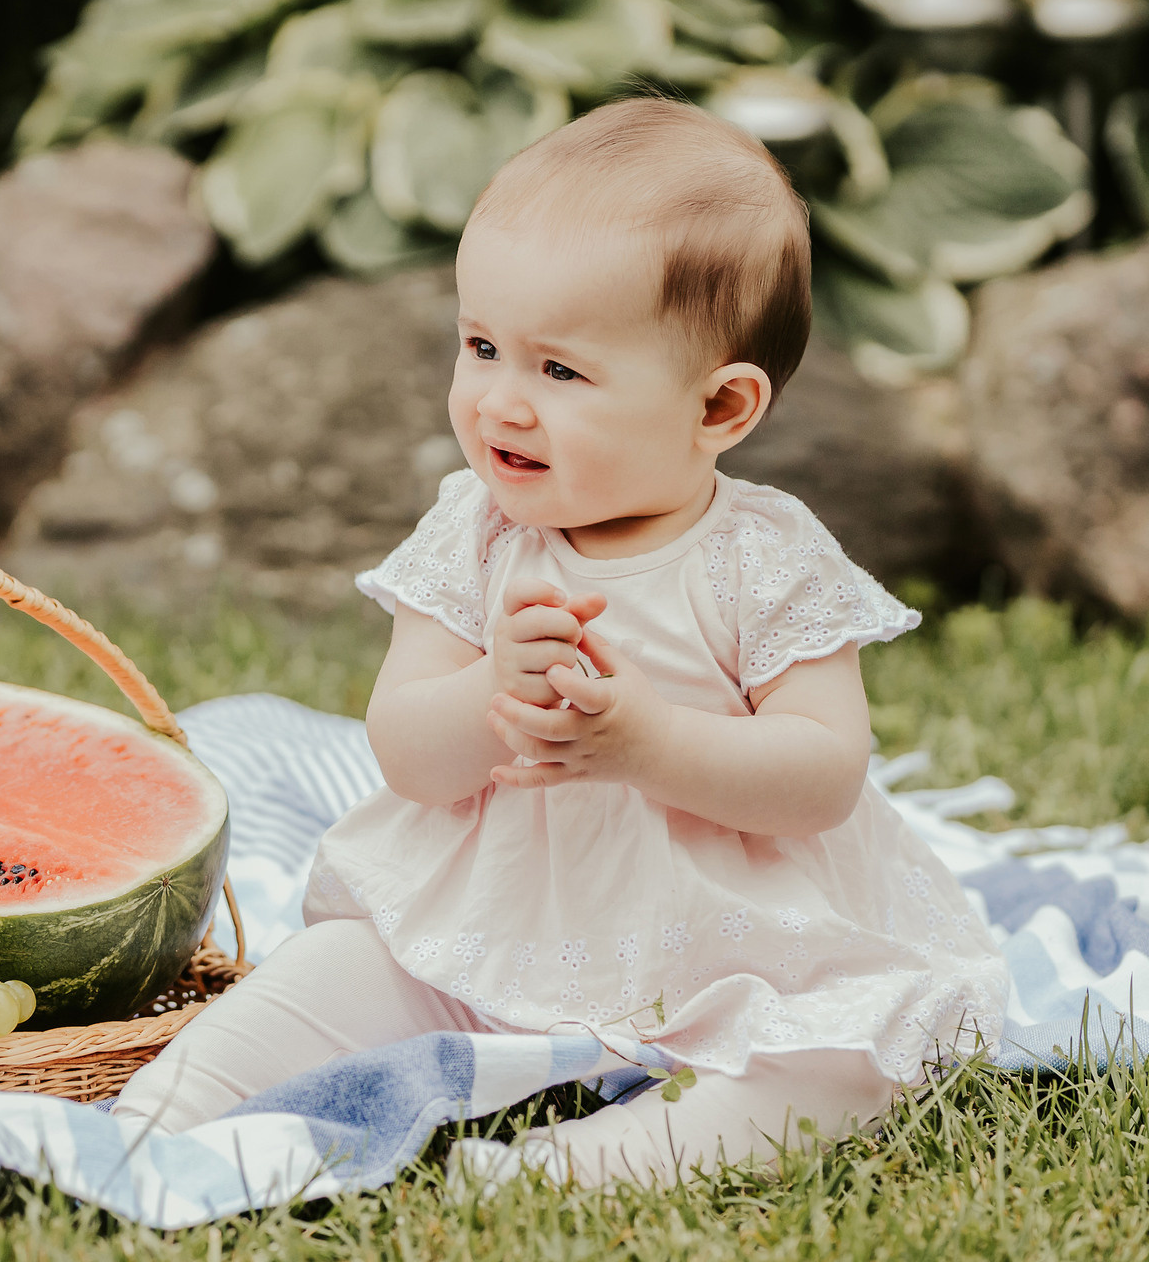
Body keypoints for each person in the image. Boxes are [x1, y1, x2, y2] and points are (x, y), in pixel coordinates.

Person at [115, 97, 1009, 1185]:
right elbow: (405, 750)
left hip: (735, 946)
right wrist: (491, 685)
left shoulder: (762, 558)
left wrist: (647, 746)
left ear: (720, 408)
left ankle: (585, 1163)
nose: (499, 402)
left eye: (559, 372)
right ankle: (157, 1117)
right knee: (340, 970)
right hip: (489, 924)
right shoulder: (475, 533)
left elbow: (821, 776)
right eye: (481, 346)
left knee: (852, 1055)